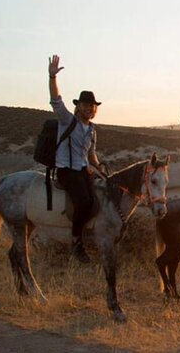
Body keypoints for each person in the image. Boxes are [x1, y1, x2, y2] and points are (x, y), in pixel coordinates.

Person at [48, 55, 106, 263]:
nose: (89, 108)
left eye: (92, 106)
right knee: (83, 202)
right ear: (79, 106)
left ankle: (83, 234)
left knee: (95, 202)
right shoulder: (67, 120)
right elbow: (56, 101)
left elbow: (91, 154)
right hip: (66, 170)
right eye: (85, 105)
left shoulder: (91, 129)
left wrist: (99, 166)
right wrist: (52, 77)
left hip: (83, 170)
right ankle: (75, 243)